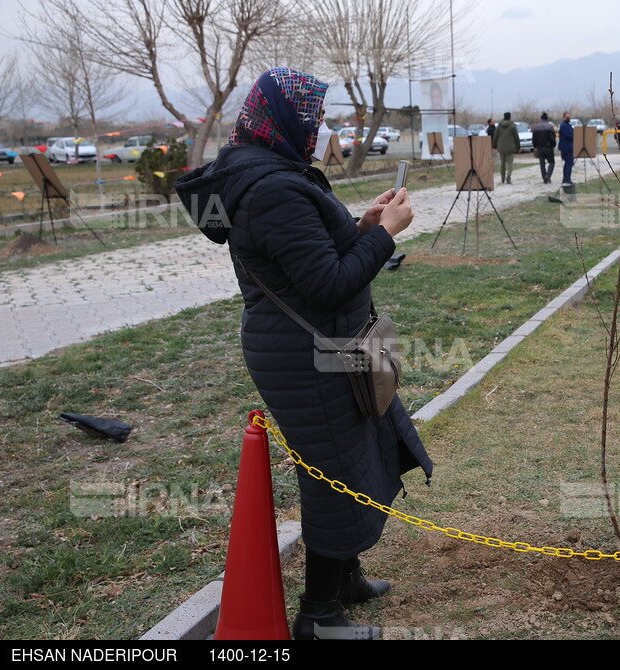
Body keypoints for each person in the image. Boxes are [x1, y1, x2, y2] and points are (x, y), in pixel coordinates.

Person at [174, 68, 433, 640]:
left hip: (320, 349)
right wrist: (386, 235)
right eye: (311, 118)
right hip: (305, 357)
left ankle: (344, 580)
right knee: (332, 473)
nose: (318, 128)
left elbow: (307, 255)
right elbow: (326, 283)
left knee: (358, 454)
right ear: (284, 120)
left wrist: (363, 224)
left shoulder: (268, 170)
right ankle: (318, 617)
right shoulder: (271, 187)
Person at [492, 111, 520, 184]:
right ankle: (508, 177)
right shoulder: (512, 126)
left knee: (502, 163)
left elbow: (495, 136)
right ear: (510, 117)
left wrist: (494, 145)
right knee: (509, 163)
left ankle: (502, 178)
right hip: (510, 147)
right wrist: (518, 146)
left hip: (501, 147)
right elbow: (516, 137)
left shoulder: (499, 126)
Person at [531, 112, 557, 184]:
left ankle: (544, 178)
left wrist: (535, 146)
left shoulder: (536, 127)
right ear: (547, 119)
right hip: (548, 147)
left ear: (541, 119)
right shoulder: (550, 127)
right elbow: (552, 138)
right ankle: (548, 175)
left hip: (540, 148)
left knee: (542, 164)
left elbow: (534, 138)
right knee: (551, 162)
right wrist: (553, 145)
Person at [559, 112, 575, 185]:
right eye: (567, 117)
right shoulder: (563, 126)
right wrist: (575, 136)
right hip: (566, 147)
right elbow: (567, 135)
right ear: (564, 117)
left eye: (569, 117)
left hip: (570, 147)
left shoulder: (568, 125)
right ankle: (567, 179)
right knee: (568, 163)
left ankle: (566, 177)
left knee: (569, 163)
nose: (568, 118)